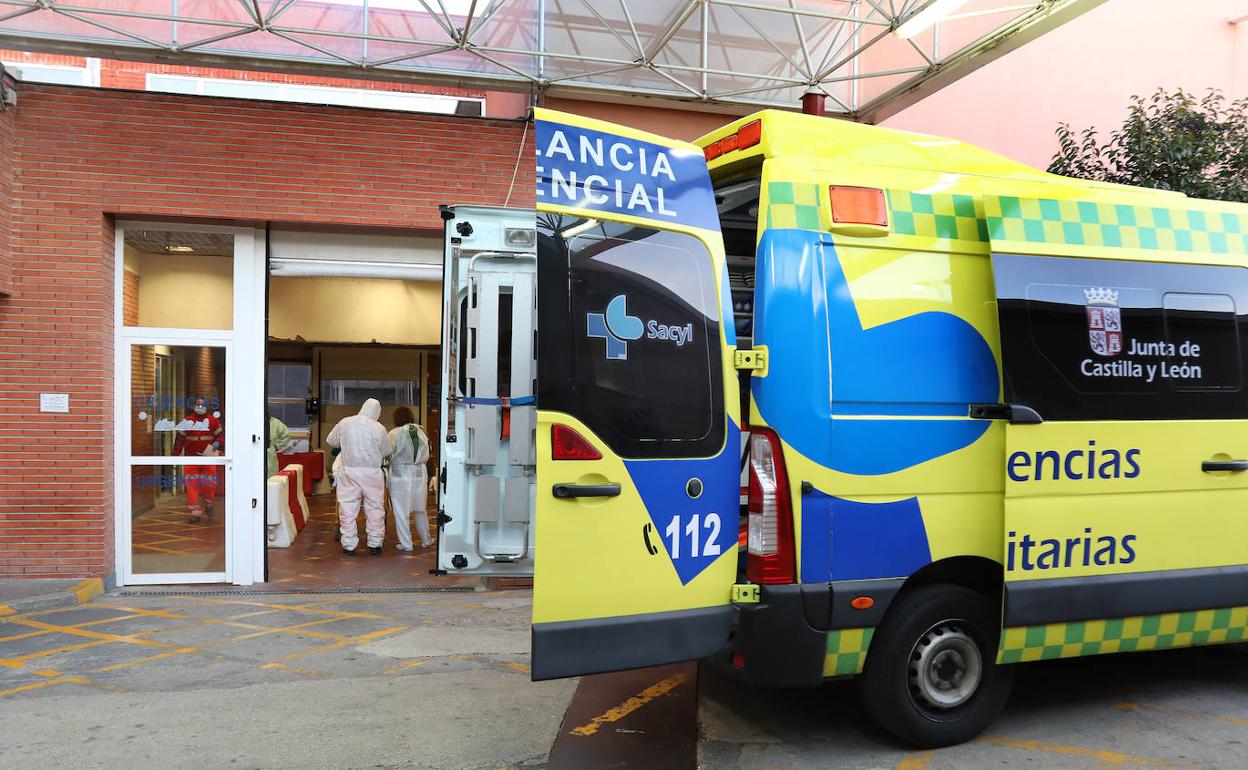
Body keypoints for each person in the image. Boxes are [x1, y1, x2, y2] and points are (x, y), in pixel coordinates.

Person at [325, 398, 388, 555]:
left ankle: (349, 545)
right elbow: (386, 450)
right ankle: (375, 544)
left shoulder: (345, 422)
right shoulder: (379, 428)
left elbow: (331, 440)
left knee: (347, 508)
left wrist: (346, 443)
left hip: (349, 472)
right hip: (372, 473)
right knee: (375, 508)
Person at [385, 406, 432, 550]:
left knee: (401, 510)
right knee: (420, 508)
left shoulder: (394, 433)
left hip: (401, 473)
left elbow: (386, 451)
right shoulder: (420, 431)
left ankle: (407, 544)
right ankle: (426, 540)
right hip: (420, 471)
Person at [173, 397, 223, 525]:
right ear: (194, 406)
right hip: (191, 458)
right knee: (192, 485)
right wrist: (174, 455)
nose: (200, 407)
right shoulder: (187, 421)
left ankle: (208, 503)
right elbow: (179, 440)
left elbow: (221, 438)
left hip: (208, 457)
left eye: (202, 405)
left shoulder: (213, 421)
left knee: (209, 484)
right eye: (198, 405)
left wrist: (216, 445)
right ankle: (195, 513)